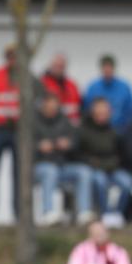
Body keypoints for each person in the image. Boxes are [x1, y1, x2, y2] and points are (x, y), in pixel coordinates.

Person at [0, 44, 40, 220]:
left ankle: (18, 214)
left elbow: (40, 99)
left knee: (19, 175)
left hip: (18, 133)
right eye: (10, 56)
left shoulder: (28, 77)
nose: (13, 60)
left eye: (16, 57)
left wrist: (29, 127)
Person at [33, 93, 92, 226]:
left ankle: (84, 213)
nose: (52, 111)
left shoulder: (64, 121)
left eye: (55, 108)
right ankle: (48, 212)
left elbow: (76, 140)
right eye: (49, 108)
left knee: (84, 172)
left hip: (61, 165)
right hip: (39, 166)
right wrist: (38, 146)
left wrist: (68, 144)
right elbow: (24, 146)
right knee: (50, 171)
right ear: (43, 107)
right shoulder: (33, 122)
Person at [76, 98, 132, 227]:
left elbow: (121, 155)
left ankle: (117, 213)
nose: (102, 116)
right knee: (100, 181)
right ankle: (105, 213)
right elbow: (78, 154)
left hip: (112, 168)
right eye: (99, 113)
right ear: (93, 113)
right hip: (94, 168)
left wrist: (114, 163)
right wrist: (93, 162)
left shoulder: (114, 131)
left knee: (127, 182)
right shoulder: (83, 130)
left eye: (105, 113)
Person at [83, 55, 132, 133]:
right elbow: (87, 111)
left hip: (120, 131)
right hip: (96, 132)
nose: (107, 70)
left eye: (110, 67)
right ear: (101, 69)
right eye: (105, 67)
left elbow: (130, 111)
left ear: (114, 68)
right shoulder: (93, 88)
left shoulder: (124, 87)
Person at [41, 53, 81, 126]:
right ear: (51, 65)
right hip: (51, 125)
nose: (58, 69)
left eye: (61, 66)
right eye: (56, 66)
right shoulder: (43, 83)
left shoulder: (72, 85)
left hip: (71, 125)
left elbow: (79, 105)